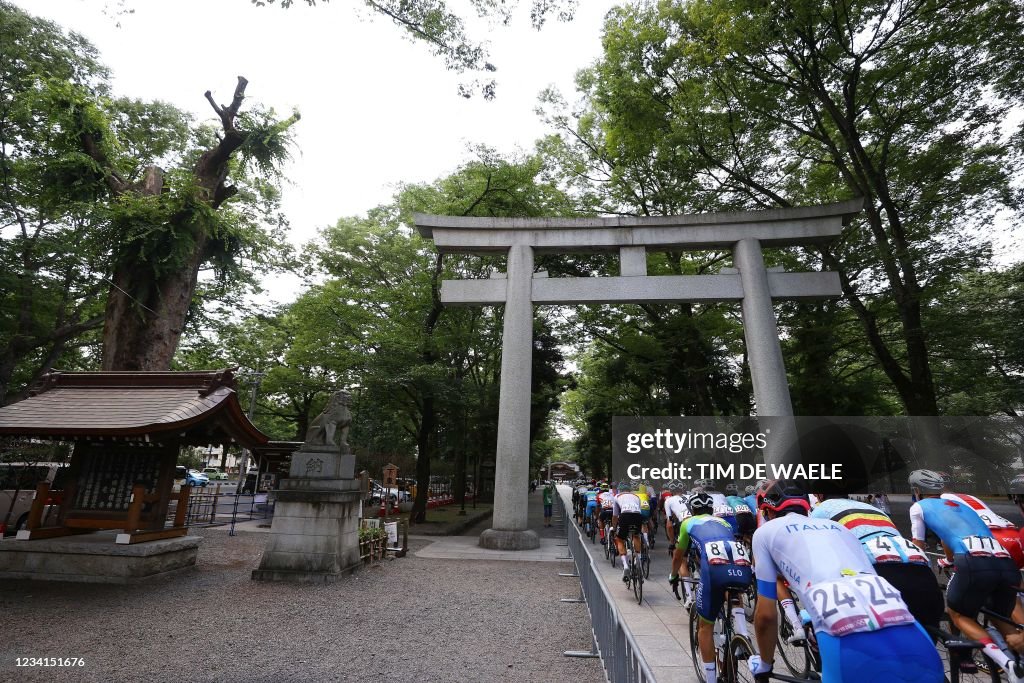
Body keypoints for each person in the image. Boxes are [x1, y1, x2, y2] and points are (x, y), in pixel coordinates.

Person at [749, 479, 942, 683]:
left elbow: (766, 616)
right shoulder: (837, 527)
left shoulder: (764, 533)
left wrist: (764, 665)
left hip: (843, 636)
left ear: (768, 511)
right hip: (904, 623)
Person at [908, 469, 1024, 679]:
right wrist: (949, 559)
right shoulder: (961, 505)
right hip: (1005, 560)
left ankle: (1007, 664)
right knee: (1002, 619)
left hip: (973, 561)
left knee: (958, 614)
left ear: (916, 490)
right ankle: (1019, 662)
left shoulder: (919, 506)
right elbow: (949, 538)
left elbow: (919, 546)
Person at [811, 492, 944, 634]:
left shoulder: (820, 511)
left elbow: (817, 557)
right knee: (927, 641)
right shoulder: (874, 509)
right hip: (921, 568)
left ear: (818, 495)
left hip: (879, 570)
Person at [670, 491, 752, 683]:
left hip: (714, 569)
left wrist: (673, 575)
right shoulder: (723, 522)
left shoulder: (688, 523)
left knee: (704, 628)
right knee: (733, 591)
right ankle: (743, 635)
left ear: (693, 509)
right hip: (740, 564)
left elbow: (678, 555)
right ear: (711, 509)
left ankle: (710, 679)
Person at [612, 484, 646, 583]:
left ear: (620, 490)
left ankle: (626, 565)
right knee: (636, 536)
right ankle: (637, 559)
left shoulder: (617, 496)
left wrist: (614, 528)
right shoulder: (636, 496)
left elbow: (615, 516)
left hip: (625, 515)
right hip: (637, 516)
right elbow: (639, 510)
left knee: (619, 539)